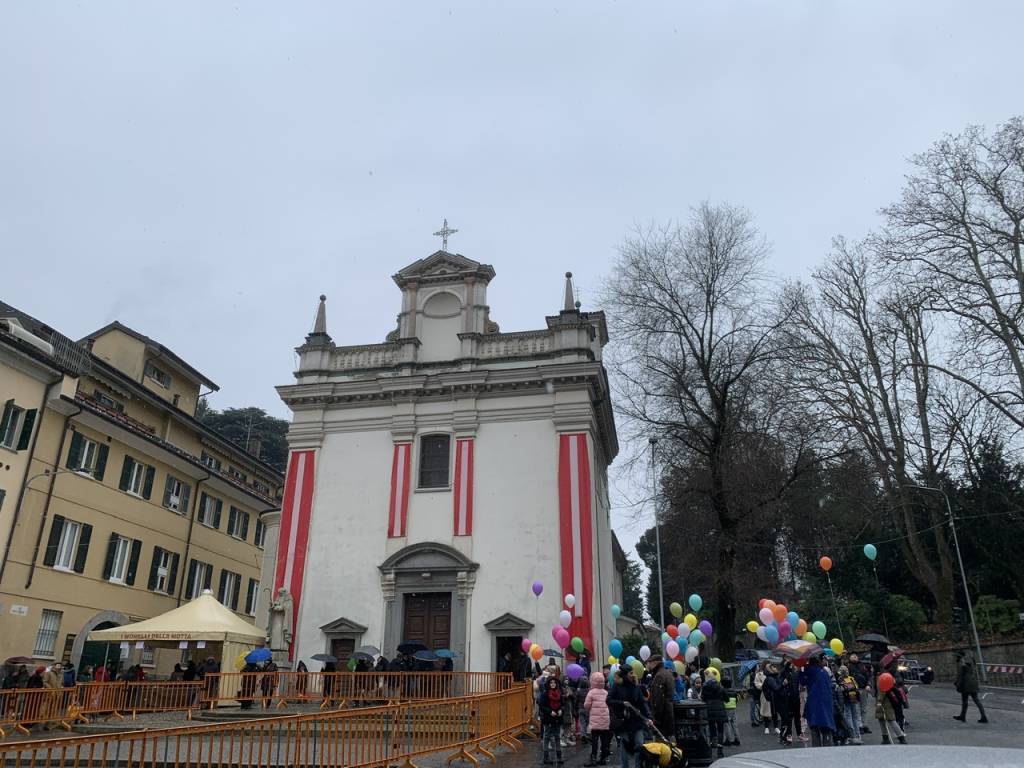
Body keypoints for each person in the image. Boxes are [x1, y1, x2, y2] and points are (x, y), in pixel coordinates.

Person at [607, 666, 651, 768]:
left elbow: (642, 703)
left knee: (640, 744)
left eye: (633, 672)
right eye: (630, 673)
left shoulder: (636, 686)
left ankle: (638, 765)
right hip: (623, 721)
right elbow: (608, 700)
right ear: (625, 674)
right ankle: (625, 766)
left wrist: (649, 718)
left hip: (637, 721)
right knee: (625, 746)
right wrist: (622, 703)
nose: (633, 675)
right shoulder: (617, 686)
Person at [797, 656, 834, 747]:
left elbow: (802, 682)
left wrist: (800, 670)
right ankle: (827, 747)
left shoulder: (809, 670)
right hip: (827, 701)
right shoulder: (824, 671)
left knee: (815, 726)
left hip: (814, 701)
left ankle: (817, 750)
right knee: (826, 727)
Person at [583, 671, 611, 766]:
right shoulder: (606, 692)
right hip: (605, 721)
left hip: (595, 722)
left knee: (594, 741)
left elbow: (586, 706)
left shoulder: (591, 692)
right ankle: (603, 758)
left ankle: (593, 758)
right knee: (604, 741)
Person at [953, 650, 987, 723]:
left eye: (956, 656)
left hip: (966, 685)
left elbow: (961, 676)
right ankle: (983, 716)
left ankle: (963, 716)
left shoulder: (962, 664)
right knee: (976, 700)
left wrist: (957, 684)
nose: (955, 657)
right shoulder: (970, 661)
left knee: (965, 701)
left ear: (959, 656)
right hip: (973, 682)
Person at [700, 668, 728, 757]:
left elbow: (703, 698)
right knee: (720, 730)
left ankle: (712, 747)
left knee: (712, 729)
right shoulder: (720, 687)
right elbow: (726, 699)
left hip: (710, 710)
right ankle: (720, 751)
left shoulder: (704, 688)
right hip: (720, 710)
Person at [647, 655, 675, 740]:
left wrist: (656, 718)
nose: (648, 665)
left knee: (661, 744)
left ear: (655, 663)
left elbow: (658, 699)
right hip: (668, 712)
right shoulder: (667, 673)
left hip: (662, 715)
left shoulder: (659, 676)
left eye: (650, 662)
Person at [539, 676, 565, 766]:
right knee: (547, 737)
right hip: (548, 718)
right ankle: (546, 757)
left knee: (557, 736)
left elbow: (563, 704)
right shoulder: (545, 694)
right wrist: (550, 711)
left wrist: (561, 709)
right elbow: (542, 706)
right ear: (548, 684)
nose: (553, 684)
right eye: (551, 683)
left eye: (554, 683)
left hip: (557, 718)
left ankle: (559, 756)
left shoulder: (559, 693)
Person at [836, 665, 863, 744]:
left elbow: (840, 691)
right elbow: (857, 687)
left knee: (848, 716)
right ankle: (858, 735)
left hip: (846, 699)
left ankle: (852, 735)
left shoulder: (840, 680)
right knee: (855, 716)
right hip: (854, 699)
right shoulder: (851, 678)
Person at [749, 663, 764, 727]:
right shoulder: (753, 675)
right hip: (756, 693)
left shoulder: (755, 675)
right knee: (754, 707)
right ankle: (754, 721)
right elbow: (756, 684)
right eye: (757, 667)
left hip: (756, 694)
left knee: (756, 707)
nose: (758, 668)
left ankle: (758, 719)